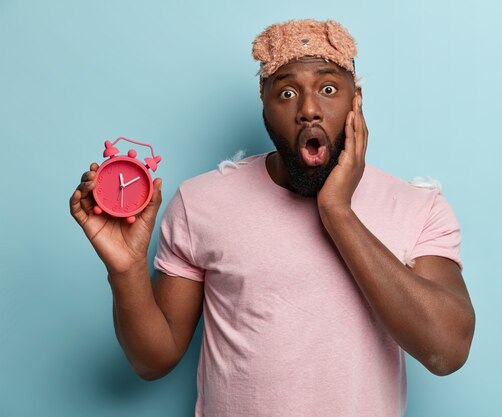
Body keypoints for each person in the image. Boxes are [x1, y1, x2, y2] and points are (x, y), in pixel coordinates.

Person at [70, 19, 475, 417]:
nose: (309, 110)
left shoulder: (417, 206)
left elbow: (447, 350)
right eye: (286, 93)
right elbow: (151, 361)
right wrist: (125, 271)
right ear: (263, 102)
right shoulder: (201, 202)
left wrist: (337, 211)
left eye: (329, 88)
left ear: (358, 101)